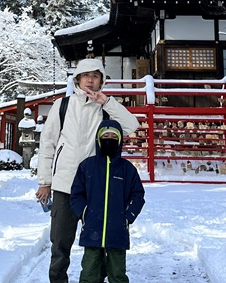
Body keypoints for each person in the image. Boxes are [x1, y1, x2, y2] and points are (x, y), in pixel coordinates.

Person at [35, 58, 139, 283]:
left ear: (101, 81)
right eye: (85, 76)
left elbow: (132, 126)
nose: (90, 80)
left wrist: (107, 102)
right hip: (64, 184)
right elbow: (48, 143)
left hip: (95, 187)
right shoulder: (62, 106)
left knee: (97, 242)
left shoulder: (106, 109)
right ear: (78, 79)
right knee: (60, 242)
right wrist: (45, 182)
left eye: (95, 76)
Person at [70, 120, 145, 283]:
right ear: (98, 139)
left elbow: (138, 195)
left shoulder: (127, 169)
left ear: (119, 141)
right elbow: (76, 194)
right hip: (92, 229)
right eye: (105, 136)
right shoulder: (87, 166)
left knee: (117, 274)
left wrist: (128, 216)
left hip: (117, 230)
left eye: (113, 136)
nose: (109, 139)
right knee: (89, 273)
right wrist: (84, 214)